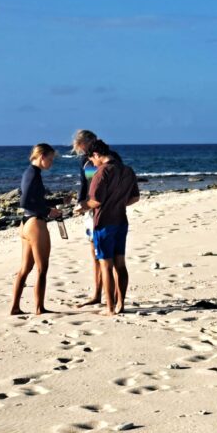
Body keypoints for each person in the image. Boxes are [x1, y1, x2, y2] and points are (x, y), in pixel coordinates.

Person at [85, 140, 139, 315]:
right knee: (120, 264)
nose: (92, 163)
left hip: (104, 223)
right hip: (121, 221)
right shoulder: (127, 170)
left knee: (106, 266)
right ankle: (120, 304)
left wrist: (81, 207)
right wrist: (119, 203)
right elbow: (135, 197)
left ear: (96, 155)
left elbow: (96, 200)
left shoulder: (101, 172)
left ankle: (109, 307)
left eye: (91, 159)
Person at [70, 129, 123, 307]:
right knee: (95, 254)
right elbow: (84, 185)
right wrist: (80, 204)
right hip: (91, 209)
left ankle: (114, 296)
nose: (84, 152)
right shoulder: (85, 160)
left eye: (84, 147)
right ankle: (97, 294)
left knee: (110, 257)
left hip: (104, 210)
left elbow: (110, 184)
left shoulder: (109, 158)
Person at [10, 143, 63, 315]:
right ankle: (40, 308)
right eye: (50, 159)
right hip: (35, 224)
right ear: (41, 157)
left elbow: (33, 200)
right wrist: (48, 211)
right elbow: (25, 202)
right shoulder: (34, 174)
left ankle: (15, 307)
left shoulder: (29, 172)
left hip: (25, 223)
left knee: (25, 268)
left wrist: (57, 202)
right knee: (42, 268)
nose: (51, 163)